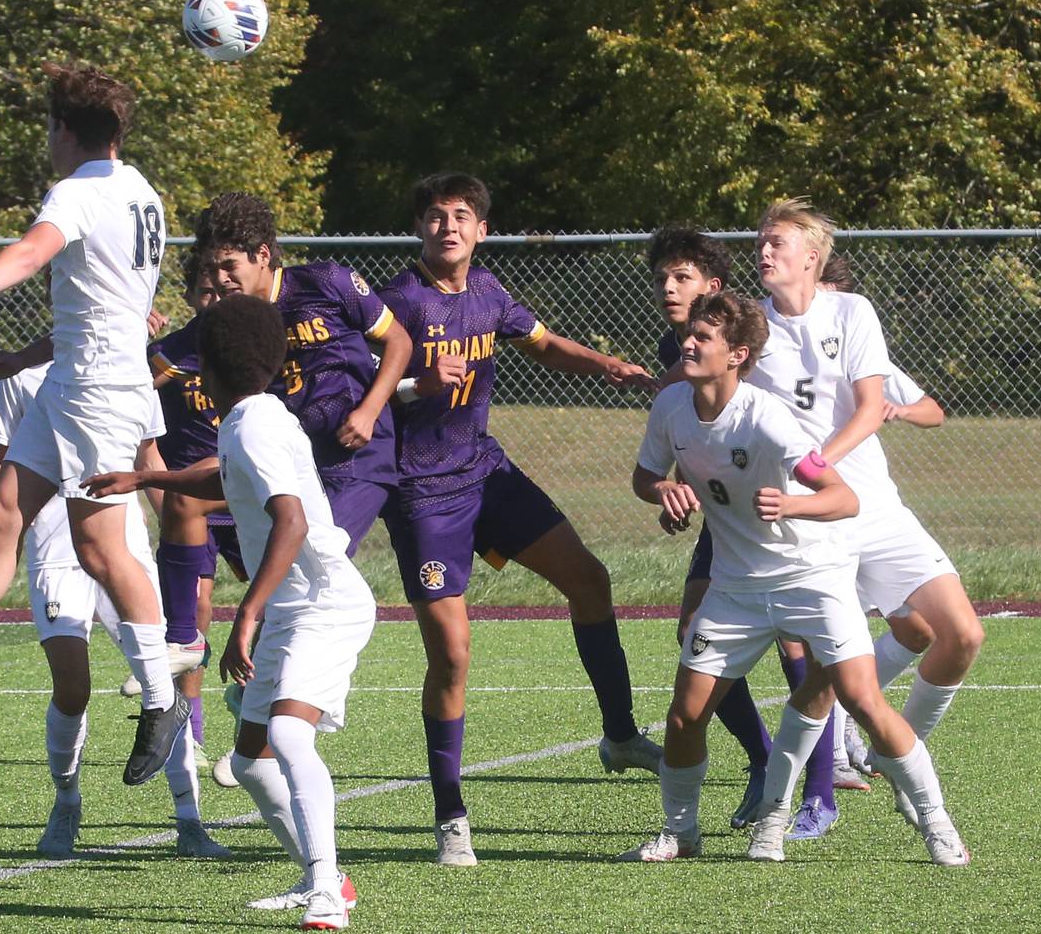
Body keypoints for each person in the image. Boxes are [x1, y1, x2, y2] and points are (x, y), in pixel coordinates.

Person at [622, 290, 968, 866]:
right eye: (691, 334)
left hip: (813, 576)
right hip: (736, 587)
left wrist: (791, 504)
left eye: (702, 337)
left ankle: (936, 822)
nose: (687, 342)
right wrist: (664, 491)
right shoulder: (672, 407)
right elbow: (644, 475)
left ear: (736, 355)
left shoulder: (768, 419)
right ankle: (681, 833)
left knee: (861, 699)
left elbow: (843, 497)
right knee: (685, 715)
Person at [376, 172, 660, 866]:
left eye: (463, 215)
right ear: (419, 227)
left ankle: (619, 734)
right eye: (437, 215)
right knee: (453, 652)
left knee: (590, 580)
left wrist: (607, 365)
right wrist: (415, 385)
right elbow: (361, 392)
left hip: (486, 474)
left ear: (482, 230)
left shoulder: (490, 292)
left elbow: (543, 343)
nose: (449, 225)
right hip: (422, 495)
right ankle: (450, 816)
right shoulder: (395, 304)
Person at [0, 61, 186, 786]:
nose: (48, 140)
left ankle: (163, 700)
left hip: (99, 392)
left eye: (48, 127)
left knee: (101, 549)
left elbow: (33, 253)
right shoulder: (140, 190)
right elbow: (98, 305)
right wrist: (17, 358)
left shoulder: (78, 190)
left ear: (65, 131)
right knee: (4, 510)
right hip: (76, 380)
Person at [83, 294, 375, 930]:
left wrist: (247, 615)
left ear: (210, 368)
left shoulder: (252, 422)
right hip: (296, 608)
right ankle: (324, 878)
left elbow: (290, 521)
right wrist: (146, 481)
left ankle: (326, 893)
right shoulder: (254, 416)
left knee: (290, 734)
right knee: (249, 761)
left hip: (322, 603)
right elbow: (228, 477)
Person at [748, 198, 983, 832]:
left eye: (776, 242)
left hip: (875, 507)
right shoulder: (751, 328)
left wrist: (815, 462)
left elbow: (871, 407)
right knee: (827, 676)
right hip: (813, 521)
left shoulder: (851, 311)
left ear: (811, 257)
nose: (763, 251)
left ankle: (897, 750)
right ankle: (784, 810)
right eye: (761, 241)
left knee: (961, 635)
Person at [0, 361, 229, 860]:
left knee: (164, 681)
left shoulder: (131, 372)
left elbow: (150, 459)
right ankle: (67, 804)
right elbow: (1, 464)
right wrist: (10, 531)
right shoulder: (22, 378)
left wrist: (181, 539)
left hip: (126, 555)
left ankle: (190, 820)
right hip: (56, 554)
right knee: (72, 689)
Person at [194, 192, 413, 551]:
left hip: (355, 458)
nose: (220, 279)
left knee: (315, 554)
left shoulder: (325, 282)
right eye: (211, 268)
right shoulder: (232, 320)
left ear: (263, 255)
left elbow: (399, 342)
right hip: (296, 461)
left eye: (229, 265)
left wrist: (369, 412)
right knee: (286, 568)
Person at [647, 227, 773, 828]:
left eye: (683, 278)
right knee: (694, 634)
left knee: (809, 650)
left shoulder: (743, 347)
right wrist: (674, 493)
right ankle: (764, 761)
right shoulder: (681, 373)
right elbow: (682, 458)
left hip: (790, 529)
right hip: (726, 529)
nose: (670, 289)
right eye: (664, 278)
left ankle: (817, 781)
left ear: (712, 289)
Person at [816, 256, 946, 777]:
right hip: (821, 519)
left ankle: (869, 730)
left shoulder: (867, 356)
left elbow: (934, 410)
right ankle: (821, 771)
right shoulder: (776, 352)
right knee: (825, 651)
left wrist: (898, 409)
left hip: (875, 515)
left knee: (920, 632)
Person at [137, 254, 250, 788]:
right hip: (196, 498)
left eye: (223, 290)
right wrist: (166, 496)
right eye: (204, 292)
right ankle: (192, 732)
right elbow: (141, 427)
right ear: (189, 298)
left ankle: (252, 698)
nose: (216, 299)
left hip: (247, 492)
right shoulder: (169, 355)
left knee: (277, 601)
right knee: (196, 609)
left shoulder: (262, 346)